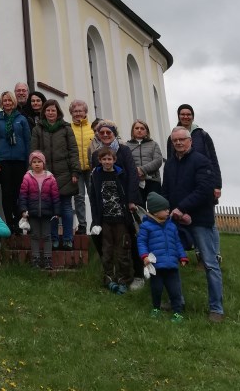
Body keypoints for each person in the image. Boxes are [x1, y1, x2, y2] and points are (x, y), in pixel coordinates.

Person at [162, 127, 224, 322]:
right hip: (176, 221)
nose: (178, 143)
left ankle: (216, 309)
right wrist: (164, 209)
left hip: (200, 220)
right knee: (172, 262)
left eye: (182, 139)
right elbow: (166, 190)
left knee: (210, 264)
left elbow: (204, 189)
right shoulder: (170, 164)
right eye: (175, 141)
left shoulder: (201, 161)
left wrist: (183, 208)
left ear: (190, 141)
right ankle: (176, 301)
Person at [31, 99, 80, 249]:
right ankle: (53, 239)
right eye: (48, 110)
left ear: (58, 112)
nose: (51, 113)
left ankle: (67, 238)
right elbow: (34, 152)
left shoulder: (66, 128)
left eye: (53, 110)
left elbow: (73, 151)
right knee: (50, 208)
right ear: (44, 112)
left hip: (65, 171)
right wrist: (34, 172)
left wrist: (75, 171)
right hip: (45, 174)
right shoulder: (38, 129)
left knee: (66, 206)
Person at [88, 146, 134, 294]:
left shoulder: (121, 173)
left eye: (110, 159)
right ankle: (109, 277)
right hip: (105, 220)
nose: (107, 162)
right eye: (104, 159)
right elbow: (94, 199)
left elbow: (127, 192)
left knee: (122, 250)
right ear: (99, 160)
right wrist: (95, 221)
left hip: (121, 218)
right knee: (106, 250)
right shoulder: (96, 176)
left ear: (114, 160)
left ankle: (123, 279)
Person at [137, 192, 188, 323]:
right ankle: (156, 308)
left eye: (168, 209)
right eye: (165, 209)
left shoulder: (171, 226)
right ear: (155, 211)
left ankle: (177, 312)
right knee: (156, 289)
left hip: (171, 266)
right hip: (156, 266)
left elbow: (177, 243)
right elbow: (141, 242)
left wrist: (182, 257)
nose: (168, 211)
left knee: (175, 291)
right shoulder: (146, 226)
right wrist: (144, 256)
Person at [0, 91, 31, 234]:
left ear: (13, 102)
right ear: (1, 103)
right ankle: (10, 223)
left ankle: (20, 222)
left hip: (19, 161)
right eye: (4, 100)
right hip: (4, 161)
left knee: (19, 193)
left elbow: (27, 141)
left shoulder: (22, 119)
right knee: (6, 193)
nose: (7, 103)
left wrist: (28, 162)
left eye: (9, 100)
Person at [18, 151, 60, 269]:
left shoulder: (50, 178)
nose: (37, 164)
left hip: (47, 213)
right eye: (34, 162)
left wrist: (57, 212)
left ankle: (47, 259)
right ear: (31, 164)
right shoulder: (27, 177)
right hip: (32, 212)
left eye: (39, 162)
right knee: (35, 236)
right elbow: (23, 196)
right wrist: (23, 209)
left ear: (44, 163)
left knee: (47, 236)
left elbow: (55, 196)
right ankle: (35, 259)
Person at [68, 99, 92, 235]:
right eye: (75, 111)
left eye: (80, 111)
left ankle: (96, 222)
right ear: (71, 113)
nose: (78, 113)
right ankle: (82, 225)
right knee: (79, 197)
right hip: (76, 169)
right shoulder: (69, 128)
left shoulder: (93, 128)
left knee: (94, 196)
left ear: (85, 112)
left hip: (91, 168)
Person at [126, 120, 163, 207]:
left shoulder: (154, 144)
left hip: (153, 180)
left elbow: (158, 161)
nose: (139, 130)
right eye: (137, 128)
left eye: (142, 128)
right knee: (139, 209)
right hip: (135, 182)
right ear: (132, 131)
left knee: (156, 208)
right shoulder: (126, 145)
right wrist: (136, 173)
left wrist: (142, 170)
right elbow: (126, 163)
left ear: (146, 131)